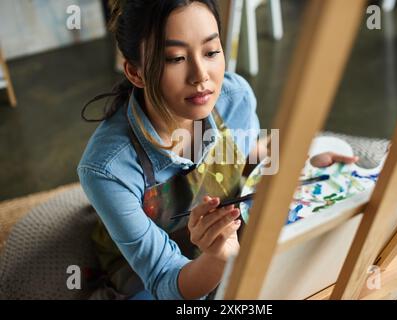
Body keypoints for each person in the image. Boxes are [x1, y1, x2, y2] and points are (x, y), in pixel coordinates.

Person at [78, 0, 358, 300]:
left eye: (211, 52)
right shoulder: (106, 168)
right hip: (147, 275)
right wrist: (217, 260)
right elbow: (163, 277)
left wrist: (304, 167)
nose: (201, 76)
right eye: (175, 58)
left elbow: (246, 160)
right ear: (136, 73)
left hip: (226, 242)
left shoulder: (233, 98)